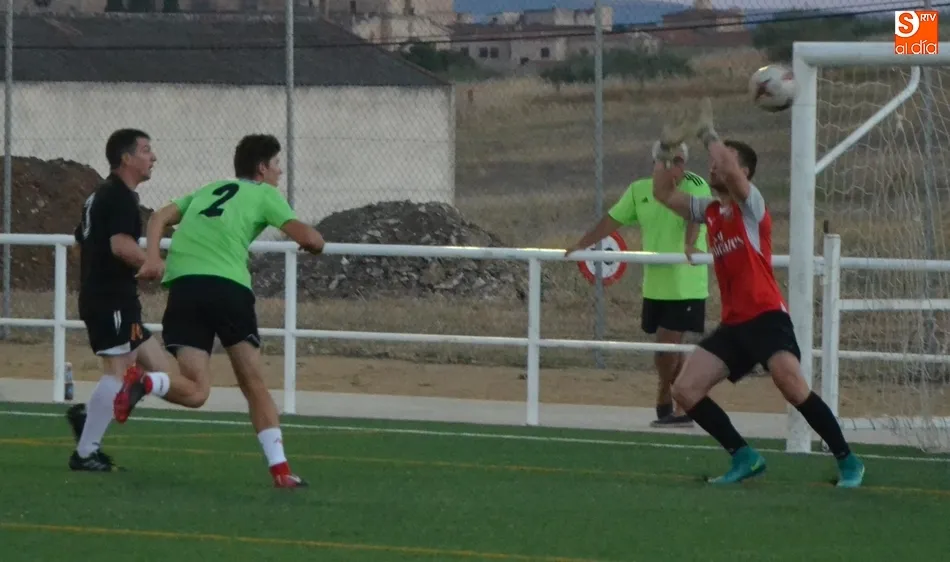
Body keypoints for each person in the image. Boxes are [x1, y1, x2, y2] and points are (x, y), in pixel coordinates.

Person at [650, 98, 865, 487]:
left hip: (767, 317)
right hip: (734, 324)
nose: (713, 165)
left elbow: (730, 172)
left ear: (743, 172)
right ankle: (745, 458)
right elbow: (663, 193)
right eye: (714, 160)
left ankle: (848, 461)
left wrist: (708, 133)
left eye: (723, 161)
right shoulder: (709, 211)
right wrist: (664, 152)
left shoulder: (752, 207)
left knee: (791, 385)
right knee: (684, 389)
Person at [112, 134, 325, 489]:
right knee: (253, 383)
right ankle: (281, 471)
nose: (280, 172)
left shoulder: (208, 189)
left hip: (184, 288)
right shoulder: (264, 194)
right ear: (262, 168)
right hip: (226, 288)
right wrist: (316, 245)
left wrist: (153, 258)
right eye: (277, 165)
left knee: (197, 392)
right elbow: (310, 238)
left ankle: (147, 381)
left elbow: (160, 216)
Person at [566, 142, 711, 428]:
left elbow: (695, 214)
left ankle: (674, 402)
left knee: (667, 348)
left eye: (679, 161)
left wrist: (689, 244)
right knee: (667, 351)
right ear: (655, 162)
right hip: (655, 284)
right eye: (667, 160)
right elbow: (613, 220)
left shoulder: (696, 185)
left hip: (685, 284)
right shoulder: (639, 190)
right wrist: (582, 244)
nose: (674, 166)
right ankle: (681, 399)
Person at [67, 128, 170, 472]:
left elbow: (80, 243)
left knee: (161, 370)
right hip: (109, 298)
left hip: (117, 298)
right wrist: (156, 265)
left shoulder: (101, 195)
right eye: (146, 150)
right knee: (120, 372)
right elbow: (120, 246)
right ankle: (85, 454)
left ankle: (90, 415)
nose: (153, 157)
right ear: (126, 158)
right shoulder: (120, 197)